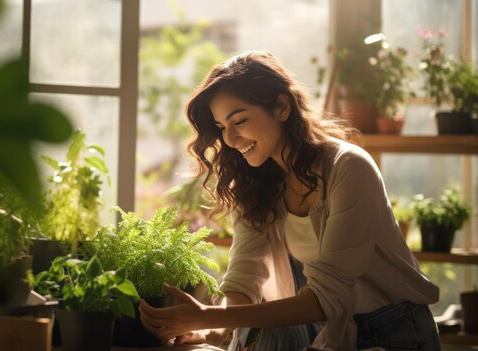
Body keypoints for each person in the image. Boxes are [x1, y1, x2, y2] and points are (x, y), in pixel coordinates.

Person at [138, 51, 440, 351]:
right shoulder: (253, 183)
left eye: (239, 120)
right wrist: (210, 330)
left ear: (281, 107)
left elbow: (325, 298)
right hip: (329, 333)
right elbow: (243, 280)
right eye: (221, 128)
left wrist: (206, 316)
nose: (229, 139)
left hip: (396, 332)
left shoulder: (349, 167)